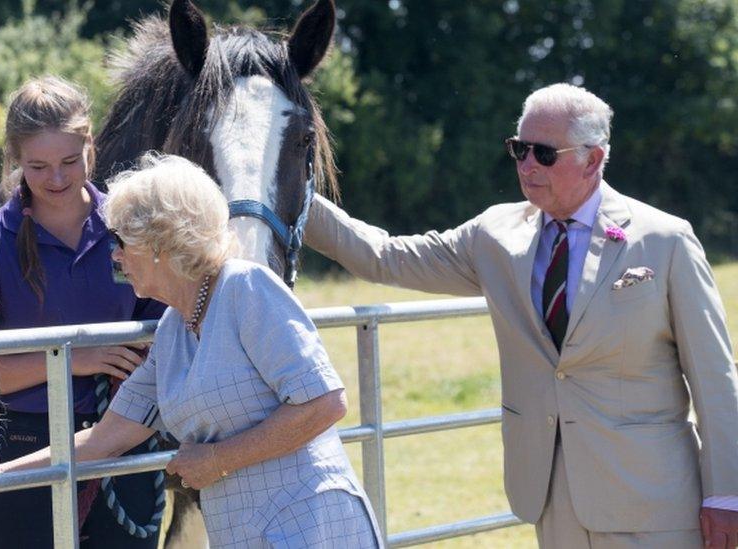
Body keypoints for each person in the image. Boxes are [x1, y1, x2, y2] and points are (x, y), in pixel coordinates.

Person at [303, 82, 738, 548]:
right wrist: (283, 190)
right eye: (519, 149)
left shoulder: (667, 241)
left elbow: (714, 378)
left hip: (655, 506)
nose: (527, 165)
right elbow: (383, 256)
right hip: (551, 500)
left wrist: (727, 495)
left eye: (545, 153)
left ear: (593, 159)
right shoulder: (493, 235)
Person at [0, 153, 383, 548]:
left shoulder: (245, 288)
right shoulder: (174, 328)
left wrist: (216, 460)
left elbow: (325, 403)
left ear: (160, 242)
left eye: (121, 241)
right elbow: (104, 441)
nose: (115, 255)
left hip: (310, 524)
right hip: (244, 532)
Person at [0, 76, 166, 548]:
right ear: (15, 159)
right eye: (37, 166)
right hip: (23, 448)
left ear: (90, 147)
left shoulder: (133, 227)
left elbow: (170, 334)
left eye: (69, 161)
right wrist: (72, 359)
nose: (56, 180)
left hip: (125, 441)